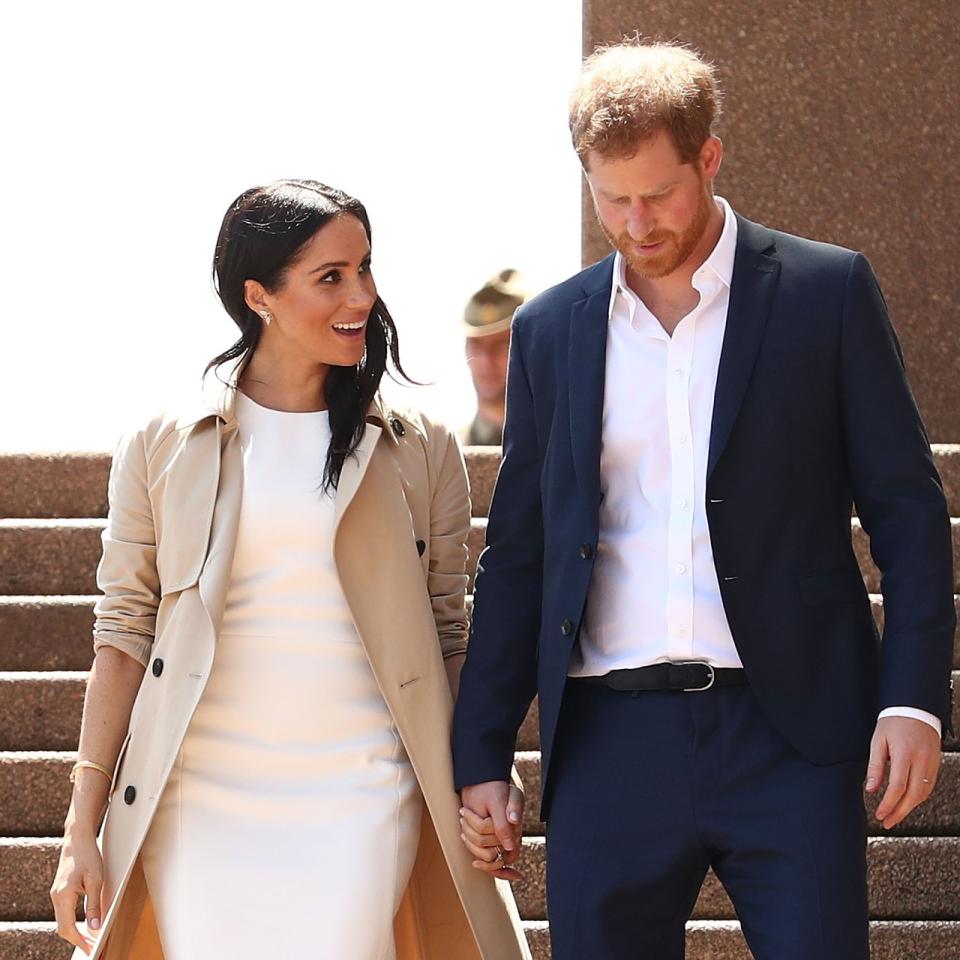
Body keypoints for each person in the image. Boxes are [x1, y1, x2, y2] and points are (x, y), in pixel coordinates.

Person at [452, 42, 955, 960]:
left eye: (658, 193)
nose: (636, 222)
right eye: (611, 197)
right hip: (609, 740)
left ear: (709, 158)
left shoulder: (825, 292)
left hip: (791, 735)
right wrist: (481, 750)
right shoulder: (552, 330)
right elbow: (519, 550)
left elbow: (909, 512)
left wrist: (912, 700)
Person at [50, 180, 530, 960]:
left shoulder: (421, 448)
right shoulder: (163, 444)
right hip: (197, 799)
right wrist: (81, 825)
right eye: (332, 276)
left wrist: (485, 768)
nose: (363, 296)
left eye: (366, 269)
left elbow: (449, 633)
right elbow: (125, 633)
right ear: (258, 296)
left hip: (364, 791)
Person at [460, 269, 526, 447]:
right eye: (477, 345)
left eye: (502, 344)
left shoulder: (555, 447)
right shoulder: (448, 453)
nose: (486, 359)